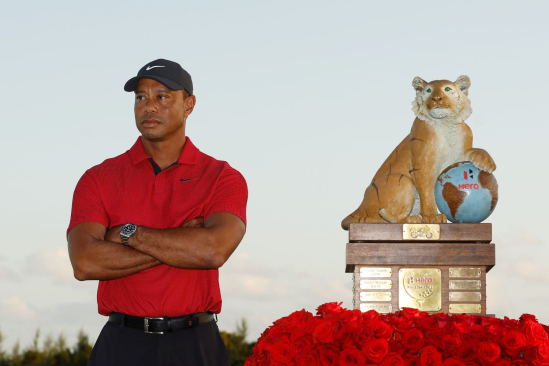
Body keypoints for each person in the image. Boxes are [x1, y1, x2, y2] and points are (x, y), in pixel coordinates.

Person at [67, 59, 247, 365]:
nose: (149, 106)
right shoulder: (98, 178)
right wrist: (183, 242)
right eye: (141, 97)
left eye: (162, 96)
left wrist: (126, 235)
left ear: (189, 105)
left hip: (196, 343)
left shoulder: (222, 177)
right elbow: (84, 262)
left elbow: (213, 250)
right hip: (122, 342)